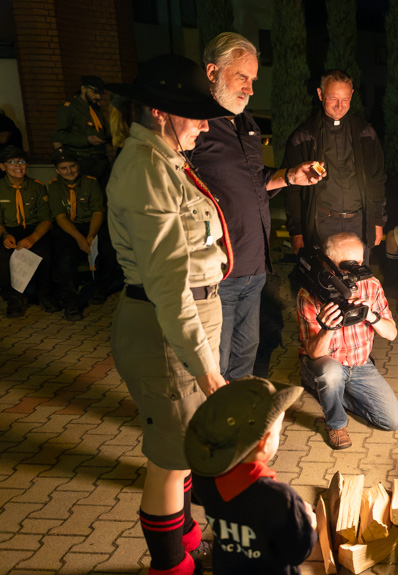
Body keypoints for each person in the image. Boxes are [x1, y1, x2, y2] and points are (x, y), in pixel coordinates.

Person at [105, 55, 234, 575]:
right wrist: (209, 373)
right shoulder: (144, 167)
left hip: (185, 321)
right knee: (168, 459)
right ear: (161, 112)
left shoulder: (163, 157)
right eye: (195, 114)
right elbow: (167, 286)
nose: (205, 124)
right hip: (165, 329)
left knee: (181, 446)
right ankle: (170, 567)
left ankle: (188, 545)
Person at [190, 32, 323, 381]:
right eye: (242, 77)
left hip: (255, 265)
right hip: (220, 270)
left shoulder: (246, 123)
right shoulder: (195, 125)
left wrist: (291, 176)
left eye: (253, 80)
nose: (250, 90)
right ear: (212, 72)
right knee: (214, 362)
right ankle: (210, 427)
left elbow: (256, 180)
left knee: (245, 355)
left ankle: (238, 420)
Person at [184, 377, 317, 575]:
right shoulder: (281, 498)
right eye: (279, 431)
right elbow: (296, 552)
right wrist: (307, 522)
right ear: (264, 442)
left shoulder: (205, 479)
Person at [296, 232, 398, 450]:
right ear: (329, 266)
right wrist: (328, 328)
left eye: (360, 263)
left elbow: (391, 334)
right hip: (327, 362)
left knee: (391, 421)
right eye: (349, 265)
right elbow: (315, 353)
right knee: (330, 373)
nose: (356, 270)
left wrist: (371, 315)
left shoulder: (371, 285)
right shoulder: (310, 293)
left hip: (361, 365)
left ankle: (327, 391)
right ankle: (335, 423)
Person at [283, 69, 386, 263]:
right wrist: (297, 232)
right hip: (322, 224)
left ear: (352, 95)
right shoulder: (304, 137)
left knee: (357, 282)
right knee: (324, 281)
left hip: (359, 222)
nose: (339, 106)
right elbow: (292, 191)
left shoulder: (366, 134)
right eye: (333, 98)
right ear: (320, 94)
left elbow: (377, 179)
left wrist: (378, 221)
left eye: (345, 99)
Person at [46, 150, 109, 320]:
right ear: (57, 170)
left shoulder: (90, 182)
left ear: (78, 166)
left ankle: (100, 288)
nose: (70, 171)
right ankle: (70, 302)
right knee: (65, 258)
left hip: (90, 224)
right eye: (64, 168)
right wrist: (79, 238)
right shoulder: (53, 186)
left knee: (107, 249)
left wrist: (90, 234)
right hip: (68, 227)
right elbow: (59, 216)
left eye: (72, 166)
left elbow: (97, 211)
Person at [0, 145, 59, 318]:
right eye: (12, 162)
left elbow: (46, 219)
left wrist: (33, 238)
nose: (18, 166)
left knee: (44, 252)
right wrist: (5, 235)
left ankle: (44, 295)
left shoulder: (37, 187)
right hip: (7, 230)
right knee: (3, 257)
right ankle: (14, 299)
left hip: (33, 230)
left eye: (22, 161)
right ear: (2, 167)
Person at [52, 76, 112, 186]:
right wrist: (86, 140)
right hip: (83, 160)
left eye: (100, 93)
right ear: (83, 89)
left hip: (100, 159)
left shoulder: (95, 108)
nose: (98, 97)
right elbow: (59, 135)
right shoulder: (69, 108)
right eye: (95, 92)